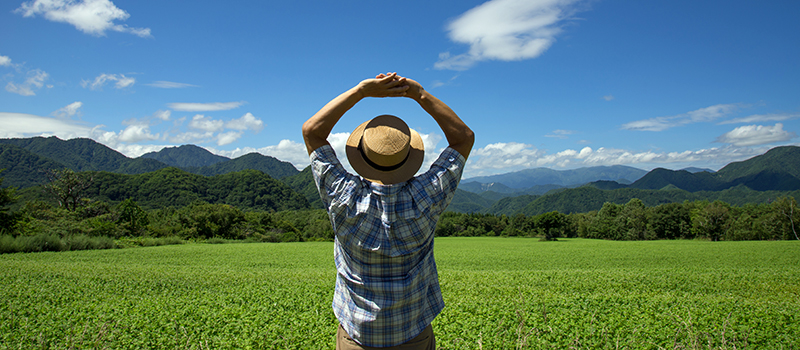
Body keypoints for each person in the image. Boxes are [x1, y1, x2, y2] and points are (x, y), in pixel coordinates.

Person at [302, 72, 474, 349]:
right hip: (413, 334)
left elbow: (312, 131)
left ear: (362, 156)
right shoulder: (427, 195)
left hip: (355, 337)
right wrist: (418, 93)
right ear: (409, 157)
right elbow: (463, 138)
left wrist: (361, 91)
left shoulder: (343, 195)